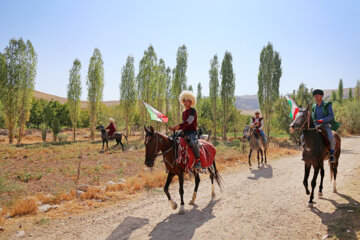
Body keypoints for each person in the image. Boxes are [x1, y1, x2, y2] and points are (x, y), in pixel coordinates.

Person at [169, 90, 201, 172]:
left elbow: (188, 122)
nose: (185, 103)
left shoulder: (193, 111)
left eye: (187, 101)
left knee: (193, 143)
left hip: (192, 133)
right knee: (171, 139)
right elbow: (184, 124)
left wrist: (178, 126)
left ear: (191, 102)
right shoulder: (184, 113)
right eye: (184, 101)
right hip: (184, 132)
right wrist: (174, 128)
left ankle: (198, 161)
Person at [312, 89, 339, 163]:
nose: (316, 98)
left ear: (322, 96)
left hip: (325, 125)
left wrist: (322, 120)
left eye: (317, 96)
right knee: (303, 136)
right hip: (315, 125)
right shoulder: (314, 107)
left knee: (331, 138)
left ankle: (332, 154)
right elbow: (312, 116)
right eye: (315, 96)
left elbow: (331, 116)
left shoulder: (327, 105)